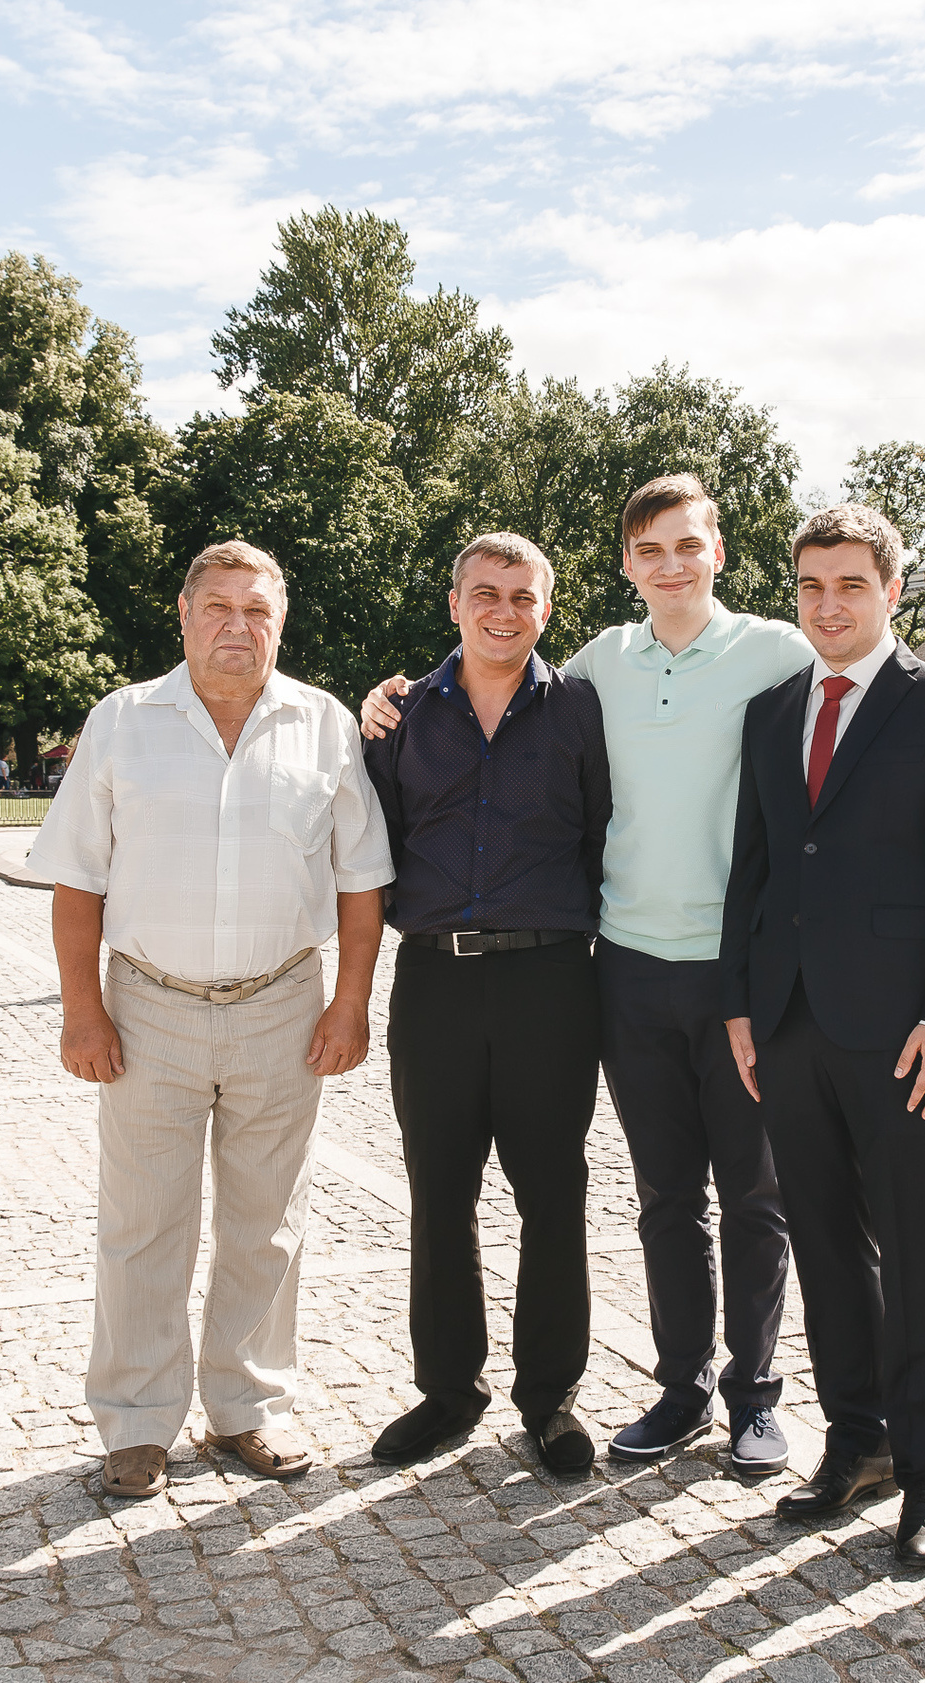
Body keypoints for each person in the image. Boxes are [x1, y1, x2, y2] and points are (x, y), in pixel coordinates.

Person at [362, 473, 925, 1475]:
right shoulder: (593, 667)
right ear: (625, 564)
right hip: (623, 965)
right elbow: (498, 688)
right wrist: (388, 694)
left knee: (757, 1197)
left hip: (744, 977)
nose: (670, 564)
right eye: (649, 549)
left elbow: (880, 675)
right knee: (666, 1193)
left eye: (687, 545)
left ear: (718, 552)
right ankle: (682, 1389)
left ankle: (756, 1396)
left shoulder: (779, 649)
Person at [27, 538, 392, 1502]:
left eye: (257, 609)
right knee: (142, 1223)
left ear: (281, 619)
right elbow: (77, 880)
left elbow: (362, 881)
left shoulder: (323, 726)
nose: (238, 625)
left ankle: (246, 1409)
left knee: (267, 1224)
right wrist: (83, 1011)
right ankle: (138, 1423)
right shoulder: (122, 721)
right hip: (148, 1006)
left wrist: (350, 1000)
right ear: (183, 616)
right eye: (218, 607)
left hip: (282, 1003)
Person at [718, 504, 925, 1564]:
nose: (828, 605)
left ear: (892, 591)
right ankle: (859, 1442)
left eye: (849, 585)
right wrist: (741, 1005)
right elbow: (753, 865)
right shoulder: (770, 709)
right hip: (787, 1020)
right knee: (826, 1244)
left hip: (900, 1032)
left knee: (914, 1249)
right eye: (810, 586)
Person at [363, 534, 613, 1476]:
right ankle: (447, 1388)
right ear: (455, 602)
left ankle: (549, 1396)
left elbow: (600, 833)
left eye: (522, 595)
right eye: (485, 593)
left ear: (547, 608)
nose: (503, 610)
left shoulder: (581, 711)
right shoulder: (400, 718)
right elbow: (371, 843)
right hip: (433, 979)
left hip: (551, 979)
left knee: (553, 1193)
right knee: (441, 1191)